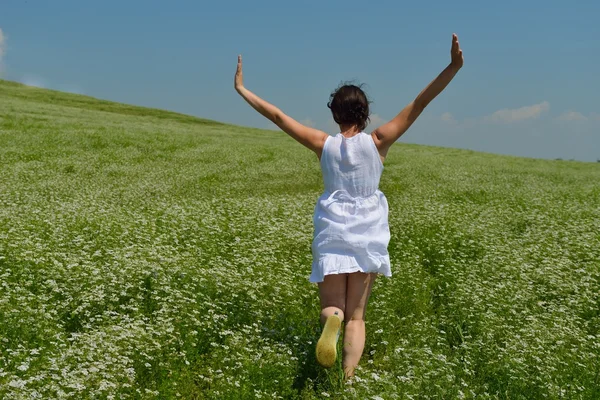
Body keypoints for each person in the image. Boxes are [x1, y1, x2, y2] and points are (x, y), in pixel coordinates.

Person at [234, 34, 463, 379]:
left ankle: (332, 321)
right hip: (367, 233)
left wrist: (243, 89)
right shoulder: (379, 141)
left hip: (332, 229)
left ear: (335, 113)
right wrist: (453, 67)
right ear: (365, 113)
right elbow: (420, 102)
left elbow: (280, 117)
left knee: (333, 307)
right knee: (358, 316)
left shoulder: (322, 144)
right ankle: (348, 378)